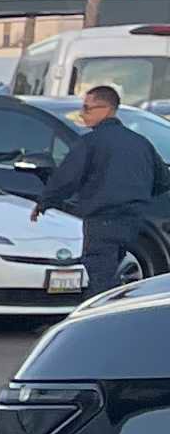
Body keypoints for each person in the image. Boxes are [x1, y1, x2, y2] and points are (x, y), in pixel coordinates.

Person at [45, 83, 170, 294]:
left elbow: (67, 179)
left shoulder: (91, 142)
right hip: (133, 221)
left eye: (86, 108)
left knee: (98, 278)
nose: (82, 114)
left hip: (102, 219)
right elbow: (163, 180)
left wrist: (45, 202)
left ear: (105, 109)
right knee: (114, 269)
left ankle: (96, 319)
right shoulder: (140, 143)